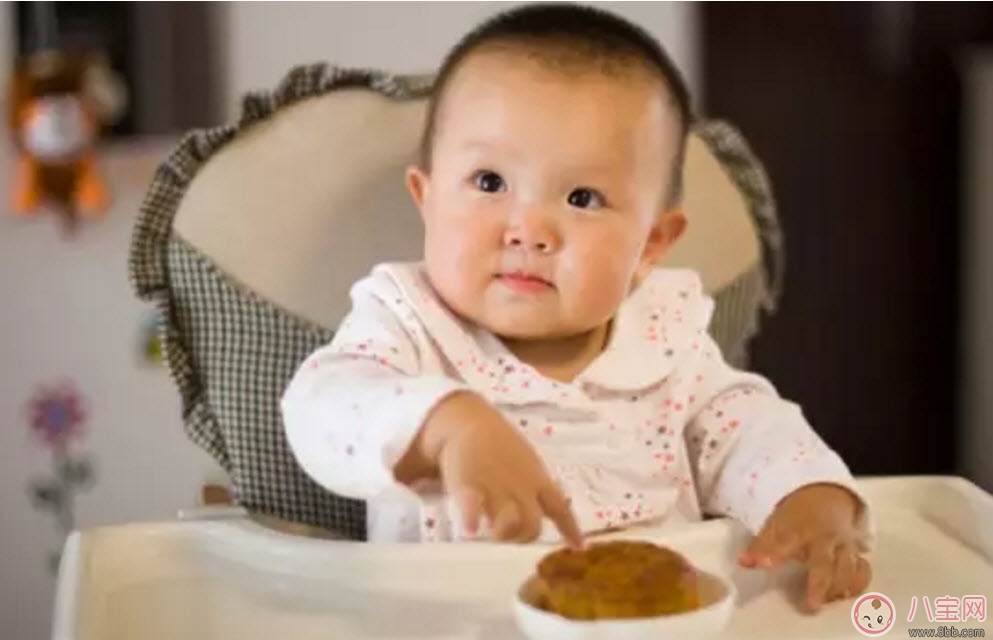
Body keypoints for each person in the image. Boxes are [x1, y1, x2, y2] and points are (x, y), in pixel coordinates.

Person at [280, 2, 873, 612]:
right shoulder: (407, 322)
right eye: (489, 183)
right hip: (452, 621)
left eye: (583, 197)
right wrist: (442, 421)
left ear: (650, 245)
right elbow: (320, 406)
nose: (530, 231)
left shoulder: (667, 337)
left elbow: (746, 428)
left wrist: (810, 496)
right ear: (425, 200)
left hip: (654, 617)